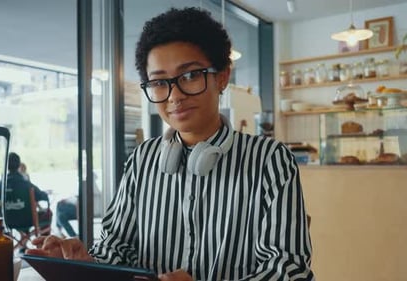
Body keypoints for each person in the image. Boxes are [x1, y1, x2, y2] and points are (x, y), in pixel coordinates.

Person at [27, 7, 314, 281]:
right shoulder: (143, 159)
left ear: (223, 76)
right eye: (160, 83)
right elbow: (117, 246)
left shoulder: (269, 160)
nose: (174, 96)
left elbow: (289, 270)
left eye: (190, 76)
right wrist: (87, 263)